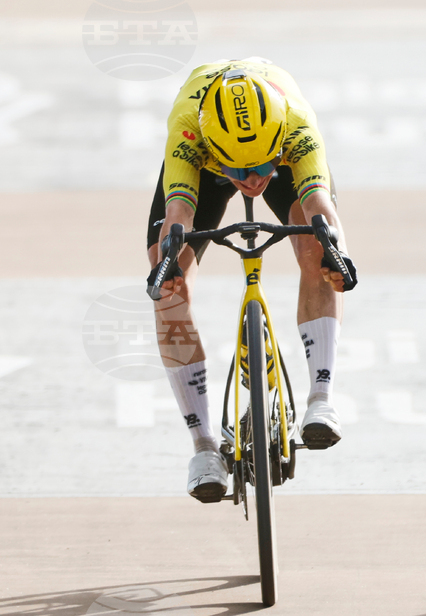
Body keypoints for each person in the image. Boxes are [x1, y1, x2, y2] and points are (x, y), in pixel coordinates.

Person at [147, 58, 353, 503]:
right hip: (206, 168)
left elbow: (319, 203)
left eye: (261, 165)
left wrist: (338, 252)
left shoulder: (295, 122)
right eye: (240, 172)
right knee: (169, 290)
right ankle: (203, 446)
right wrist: (168, 267)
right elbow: (178, 214)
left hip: (276, 156)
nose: (254, 181)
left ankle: (321, 397)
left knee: (320, 251)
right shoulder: (189, 128)